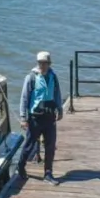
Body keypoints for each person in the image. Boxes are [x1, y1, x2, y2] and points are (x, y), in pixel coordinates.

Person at [17, 51, 64, 185]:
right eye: (40, 63)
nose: (42, 66)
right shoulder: (31, 78)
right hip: (35, 118)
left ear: (49, 64)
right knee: (29, 145)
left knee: (50, 146)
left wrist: (60, 109)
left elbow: (57, 93)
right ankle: (21, 166)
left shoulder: (53, 77)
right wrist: (23, 117)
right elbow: (24, 98)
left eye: (45, 63)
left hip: (50, 117)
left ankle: (48, 173)